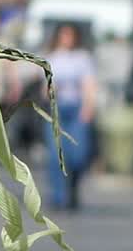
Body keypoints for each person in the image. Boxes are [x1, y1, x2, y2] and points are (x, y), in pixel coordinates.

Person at [43, 22, 98, 211]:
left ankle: (73, 186)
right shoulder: (51, 58)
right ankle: (59, 197)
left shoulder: (82, 58)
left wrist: (88, 107)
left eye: (70, 35)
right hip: (57, 109)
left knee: (78, 154)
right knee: (56, 154)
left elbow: (89, 84)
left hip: (76, 108)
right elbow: (44, 90)